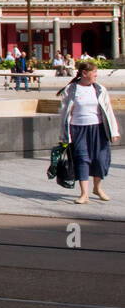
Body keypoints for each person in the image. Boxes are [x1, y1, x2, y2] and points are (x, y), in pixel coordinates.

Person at [58, 59, 117, 204]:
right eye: (94, 72)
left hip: (98, 129)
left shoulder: (100, 89)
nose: (96, 75)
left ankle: (97, 188)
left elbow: (108, 111)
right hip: (78, 129)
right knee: (82, 159)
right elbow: (64, 114)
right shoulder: (71, 90)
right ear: (84, 73)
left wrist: (113, 131)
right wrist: (64, 135)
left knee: (100, 159)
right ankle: (84, 194)